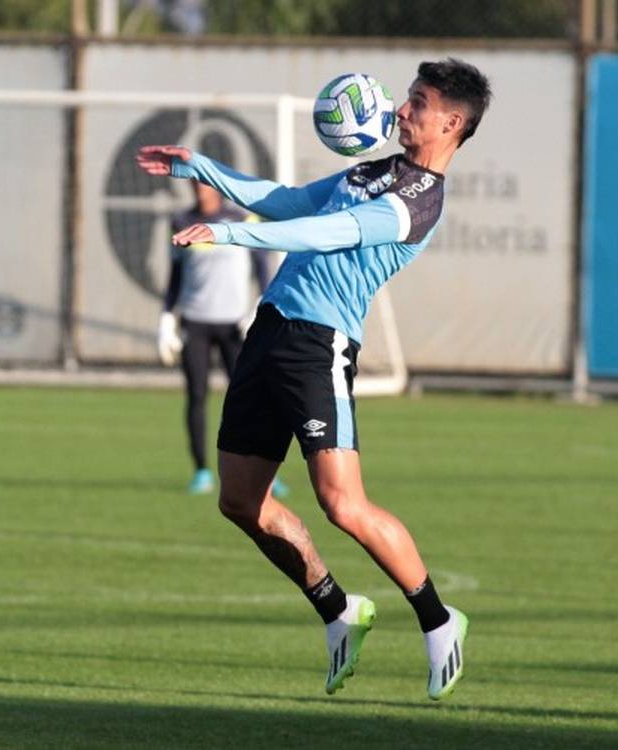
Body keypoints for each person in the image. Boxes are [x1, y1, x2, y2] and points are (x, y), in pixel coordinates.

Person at [137, 58, 491, 700]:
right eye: (406, 97)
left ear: (452, 122)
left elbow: (329, 233)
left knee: (341, 503)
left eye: (417, 101)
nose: (402, 109)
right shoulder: (372, 170)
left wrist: (228, 235)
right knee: (239, 501)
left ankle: (439, 621)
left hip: (317, 347)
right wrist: (203, 168)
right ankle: (338, 610)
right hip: (268, 333)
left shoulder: (419, 202)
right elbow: (288, 201)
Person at [158, 180, 287, 498]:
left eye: (205, 184)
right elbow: (175, 276)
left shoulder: (243, 220)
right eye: (195, 185)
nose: (199, 190)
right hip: (196, 321)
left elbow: (262, 271)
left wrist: (260, 309)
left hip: (235, 325)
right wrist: (166, 318)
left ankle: (264, 472)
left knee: (251, 399)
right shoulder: (182, 221)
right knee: (197, 395)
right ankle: (201, 470)